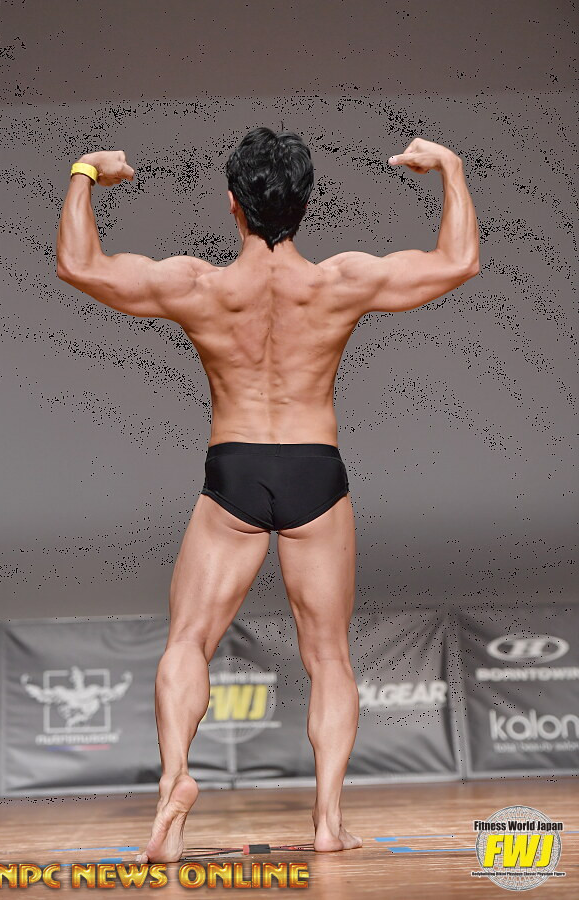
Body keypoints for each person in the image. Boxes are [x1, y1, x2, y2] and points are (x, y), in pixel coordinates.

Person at [56, 128, 480, 862]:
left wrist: (87, 171)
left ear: (233, 203)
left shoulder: (199, 287)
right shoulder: (340, 282)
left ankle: (175, 784)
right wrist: (451, 166)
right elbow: (459, 260)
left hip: (235, 470)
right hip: (315, 471)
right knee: (329, 657)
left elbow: (77, 263)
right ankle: (327, 822)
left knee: (188, 641)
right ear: (305, 205)